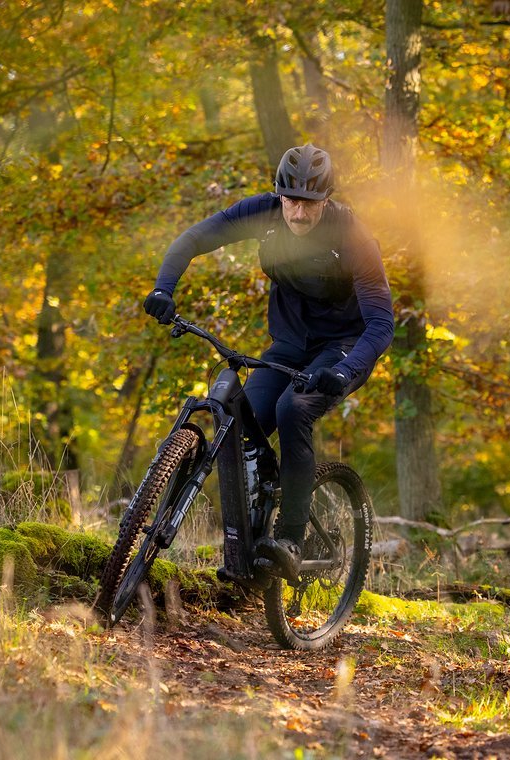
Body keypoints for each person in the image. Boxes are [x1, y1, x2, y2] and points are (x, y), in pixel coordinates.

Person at [143, 144, 394, 583]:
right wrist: (164, 289)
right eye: (291, 200)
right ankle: (247, 553)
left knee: (292, 410)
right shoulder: (262, 213)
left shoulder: (353, 237)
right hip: (289, 345)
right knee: (240, 423)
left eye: (310, 205)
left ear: (327, 201)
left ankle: (292, 541)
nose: (298, 214)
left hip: (343, 347)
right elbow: (194, 239)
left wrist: (345, 371)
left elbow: (381, 323)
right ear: (279, 195)